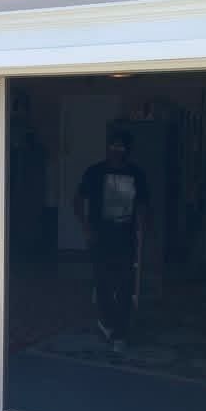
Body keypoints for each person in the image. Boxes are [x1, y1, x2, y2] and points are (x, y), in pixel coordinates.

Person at [73, 127, 148, 352]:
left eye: (121, 146)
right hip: (99, 236)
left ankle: (120, 333)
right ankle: (106, 321)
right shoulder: (94, 172)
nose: (116, 150)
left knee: (125, 285)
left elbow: (143, 206)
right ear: (107, 147)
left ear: (128, 150)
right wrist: (85, 226)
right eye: (113, 145)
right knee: (102, 284)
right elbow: (77, 199)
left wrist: (142, 232)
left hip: (125, 238)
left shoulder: (136, 174)